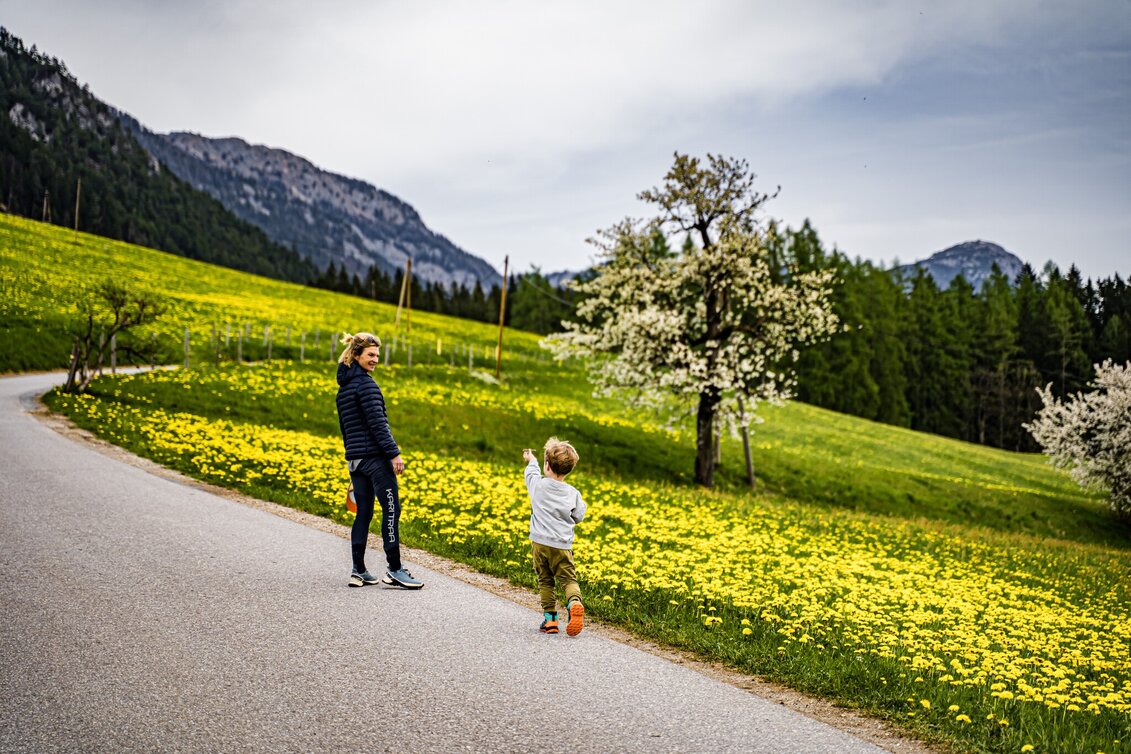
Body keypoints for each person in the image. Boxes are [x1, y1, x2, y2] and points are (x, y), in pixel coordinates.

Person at [336, 332, 423, 589]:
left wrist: (354, 455)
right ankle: (395, 569)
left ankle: (358, 570)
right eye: (371, 355)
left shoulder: (344, 389)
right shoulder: (367, 385)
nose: (375, 359)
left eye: (377, 355)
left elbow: (346, 428)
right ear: (357, 355)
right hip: (374, 459)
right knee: (391, 510)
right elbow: (378, 424)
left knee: (363, 512)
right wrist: (393, 453)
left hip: (356, 460)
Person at [523, 438, 586, 636]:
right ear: (568, 469)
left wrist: (531, 459)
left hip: (540, 544)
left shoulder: (538, 486)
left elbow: (531, 474)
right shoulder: (572, 493)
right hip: (562, 545)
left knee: (545, 581)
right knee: (568, 579)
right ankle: (574, 601)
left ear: (547, 465)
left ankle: (550, 620)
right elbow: (579, 516)